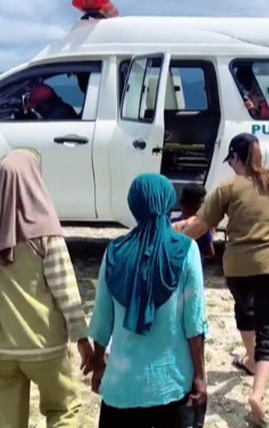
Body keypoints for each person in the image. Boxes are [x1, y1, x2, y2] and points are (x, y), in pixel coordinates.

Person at [174, 133, 269, 427]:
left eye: (231, 160)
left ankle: (250, 358)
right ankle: (257, 395)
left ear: (237, 158)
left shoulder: (228, 187)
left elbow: (200, 225)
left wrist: (171, 238)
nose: (231, 166)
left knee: (245, 310)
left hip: (237, 269)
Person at [86, 173, 208, 428]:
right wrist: (199, 375)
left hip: (122, 388)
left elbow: (102, 320)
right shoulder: (186, 250)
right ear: (168, 203)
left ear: (134, 205)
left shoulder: (114, 253)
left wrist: (98, 366)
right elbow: (194, 323)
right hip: (172, 384)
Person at [0, 149, 92, 428]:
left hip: (3, 349)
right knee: (65, 408)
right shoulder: (46, 233)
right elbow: (66, 291)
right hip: (45, 346)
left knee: (7, 419)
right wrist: (81, 337)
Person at [172, 183, 215, 267]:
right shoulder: (201, 227)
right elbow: (210, 252)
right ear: (200, 206)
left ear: (182, 202)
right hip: (194, 273)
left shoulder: (172, 224)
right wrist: (211, 233)